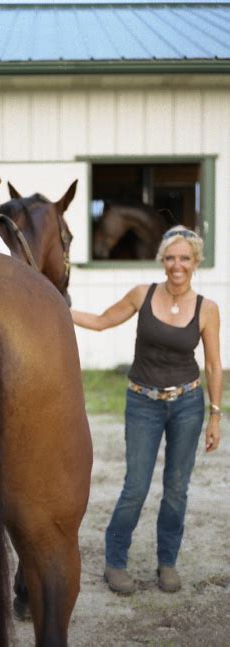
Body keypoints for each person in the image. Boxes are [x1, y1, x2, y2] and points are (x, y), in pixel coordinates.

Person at [71, 225, 222, 594]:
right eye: (170, 257)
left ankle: (167, 562)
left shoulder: (207, 308)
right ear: (162, 260)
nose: (177, 265)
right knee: (135, 486)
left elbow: (215, 365)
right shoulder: (143, 294)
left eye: (184, 258)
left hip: (187, 404)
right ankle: (115, 562)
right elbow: (103, 321)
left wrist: (215, 414)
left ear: (196, 261)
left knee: (176, 489)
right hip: (142, 402)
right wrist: (61, 309)